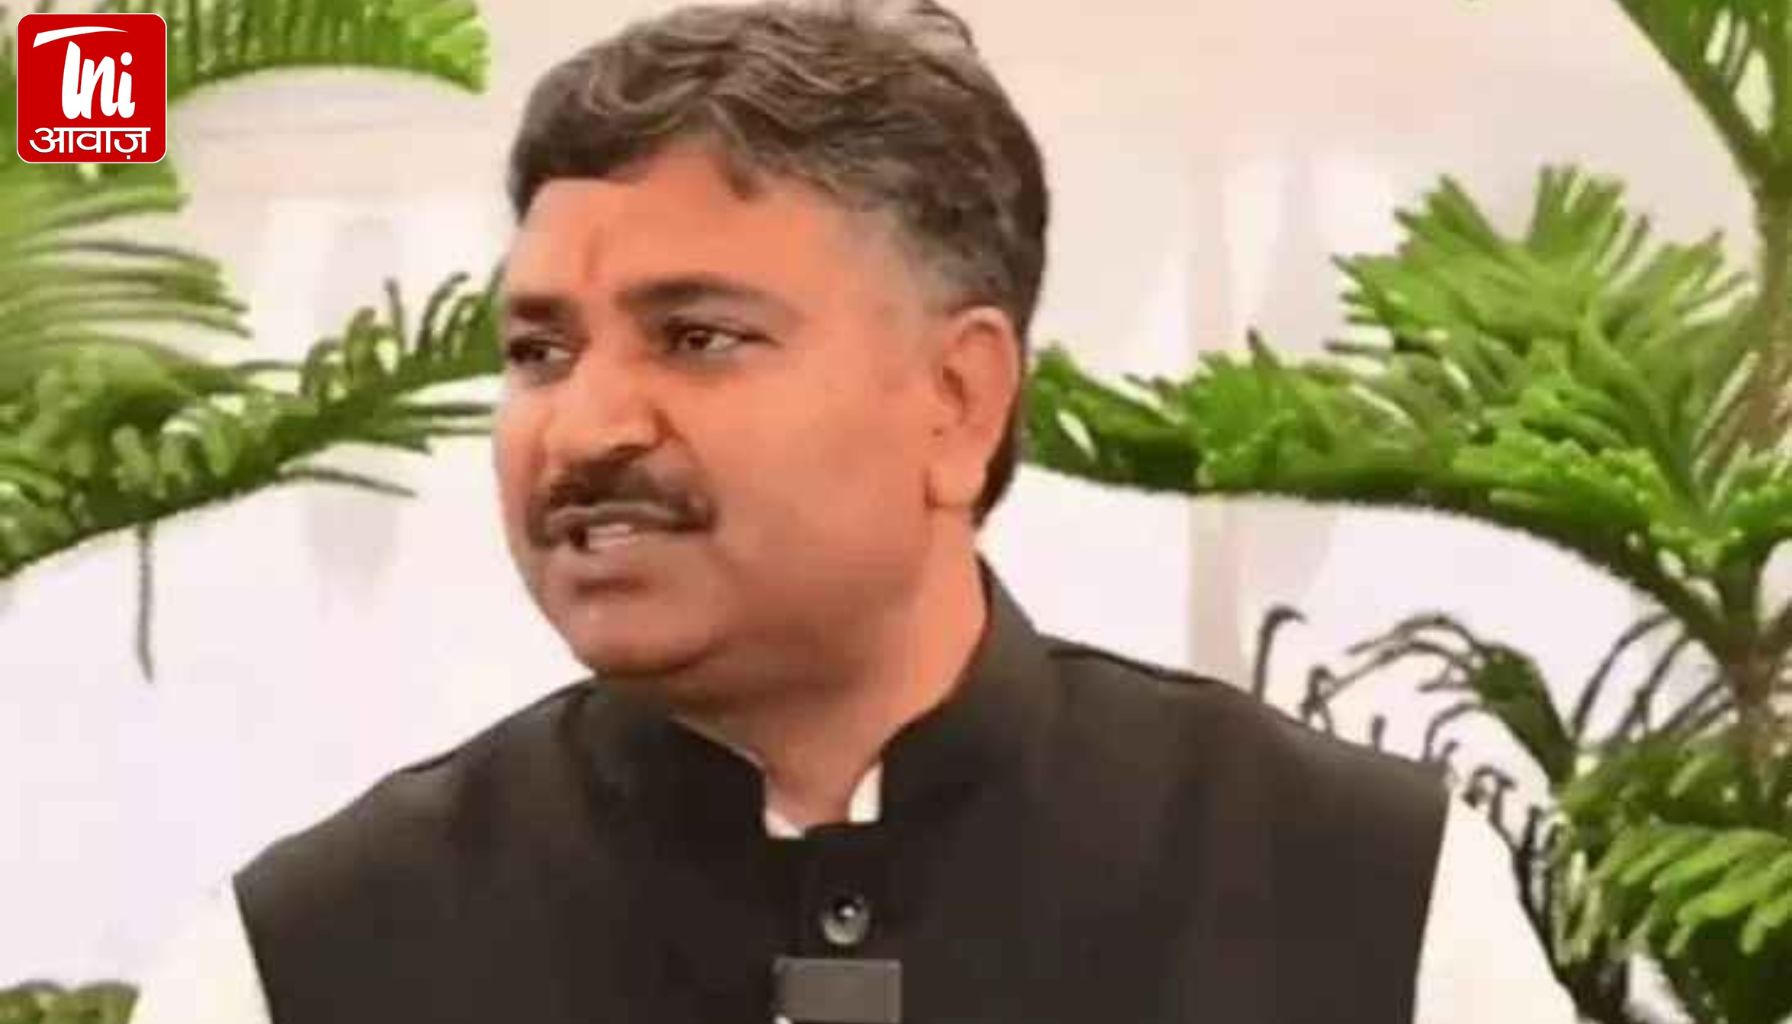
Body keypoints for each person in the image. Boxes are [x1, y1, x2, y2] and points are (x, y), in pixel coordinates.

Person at [130, 2, 1579, 1022]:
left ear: (957, 399)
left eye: (698, 337)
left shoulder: (1367, 898)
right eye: (540, 351)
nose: (585, 428)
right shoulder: (305, 962)